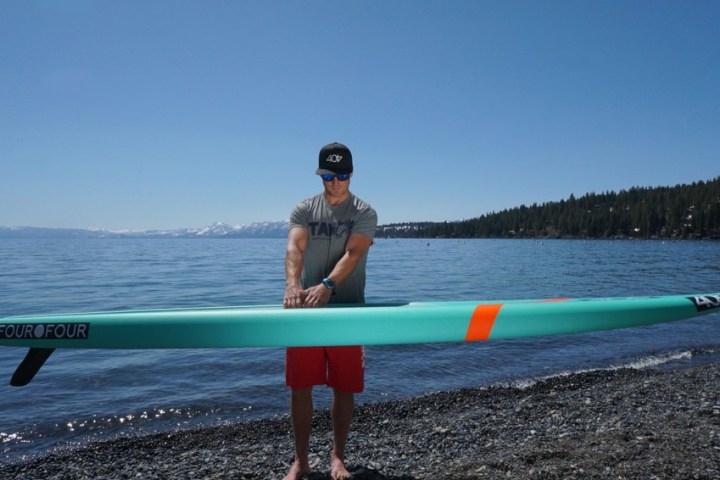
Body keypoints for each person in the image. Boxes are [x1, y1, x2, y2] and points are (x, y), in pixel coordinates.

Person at [282, 142, 377, 480]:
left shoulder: (364, 212)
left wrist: (327, 286)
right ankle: (301, 461)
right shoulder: (304, 209)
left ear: (350, 174)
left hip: (347, 312)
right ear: (320, 175)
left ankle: (338, 458)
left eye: (342, 175)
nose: (335, 182)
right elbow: (295, 245)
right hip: (306, 315)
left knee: (344, 387)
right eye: (328, 175)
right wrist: (293, 284)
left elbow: (353, 254)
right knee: (301, 387)